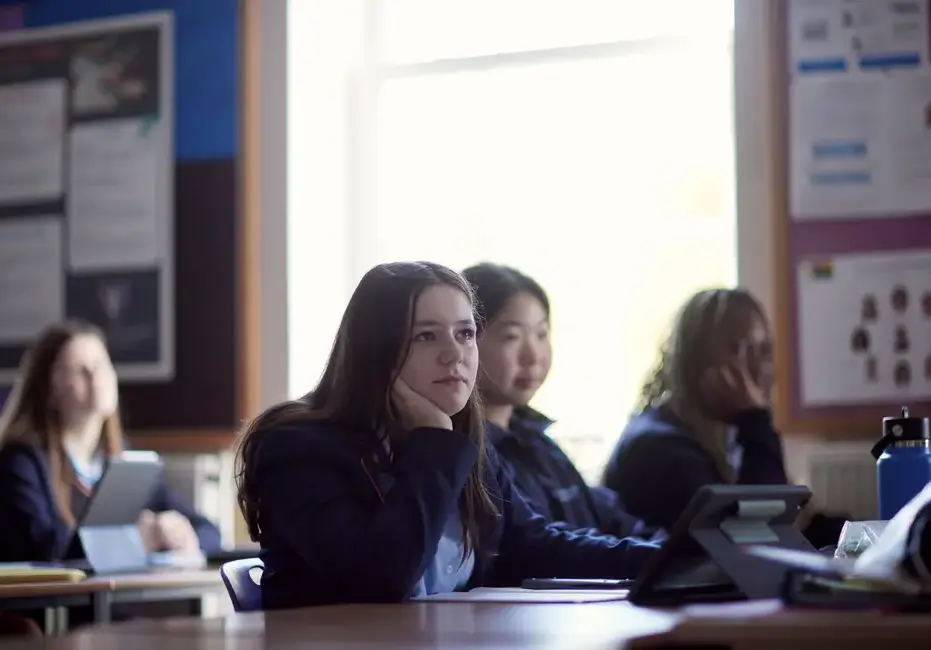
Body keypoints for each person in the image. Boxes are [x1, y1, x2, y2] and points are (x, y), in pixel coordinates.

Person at [235, 261, 658, 609]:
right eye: (426, 336)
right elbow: (380, 579)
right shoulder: (299, 446)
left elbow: (533, 544)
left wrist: (671, 559)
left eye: (465, 334)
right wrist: (433, 447)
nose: (455, 354)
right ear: (375, 350)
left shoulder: (465, 442)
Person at [602, 288, 846, 549]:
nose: (756, 368)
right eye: (738, 350)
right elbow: (758, 537)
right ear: (696, 360)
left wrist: (864, 539)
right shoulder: (658, 450)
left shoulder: (721, 435)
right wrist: (756, 420)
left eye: (762, 350)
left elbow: (801, 525)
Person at [463, 263, 659, 540]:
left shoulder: (538, 442)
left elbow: (608, 519)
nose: (533, 355)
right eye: (512, 337)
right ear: (466, 341)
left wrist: (671, 549)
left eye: (542, 335)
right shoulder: (468, 451)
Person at [0, 320, 222, 563]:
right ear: (49, 390)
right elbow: (47, 550)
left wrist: (181, 534)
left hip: (108, 599)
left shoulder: (123, 462)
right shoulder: (20, 461)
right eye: (79, 369)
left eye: (101, 365)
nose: (95, 377)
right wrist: (135, 540)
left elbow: (210, 532)